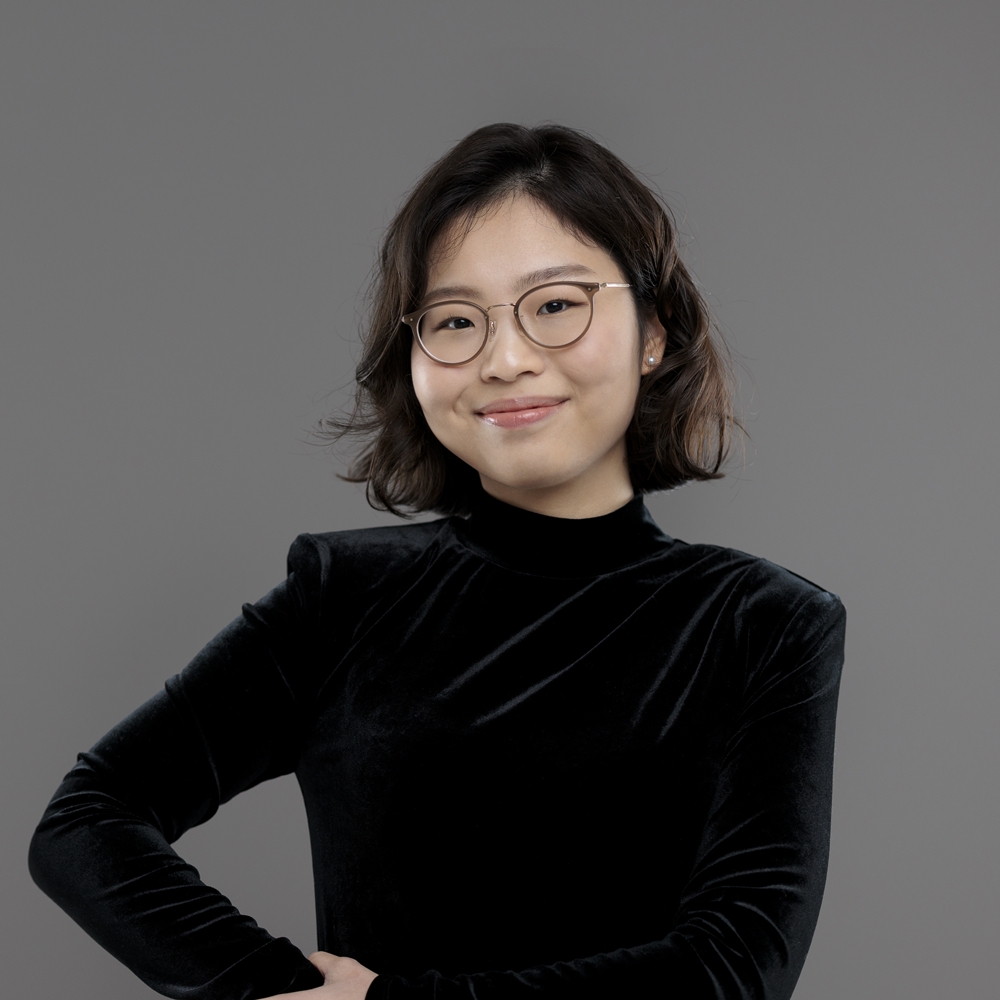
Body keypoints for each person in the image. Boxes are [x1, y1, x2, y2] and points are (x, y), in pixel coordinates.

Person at [29, 123, 846, 1000]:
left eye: (556, 305)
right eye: (455, 321)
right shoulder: (341, 598)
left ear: (654, 331)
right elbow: (86, 821)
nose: (505, 360)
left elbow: (737, 967)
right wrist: (276, 986)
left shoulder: (764, 624)